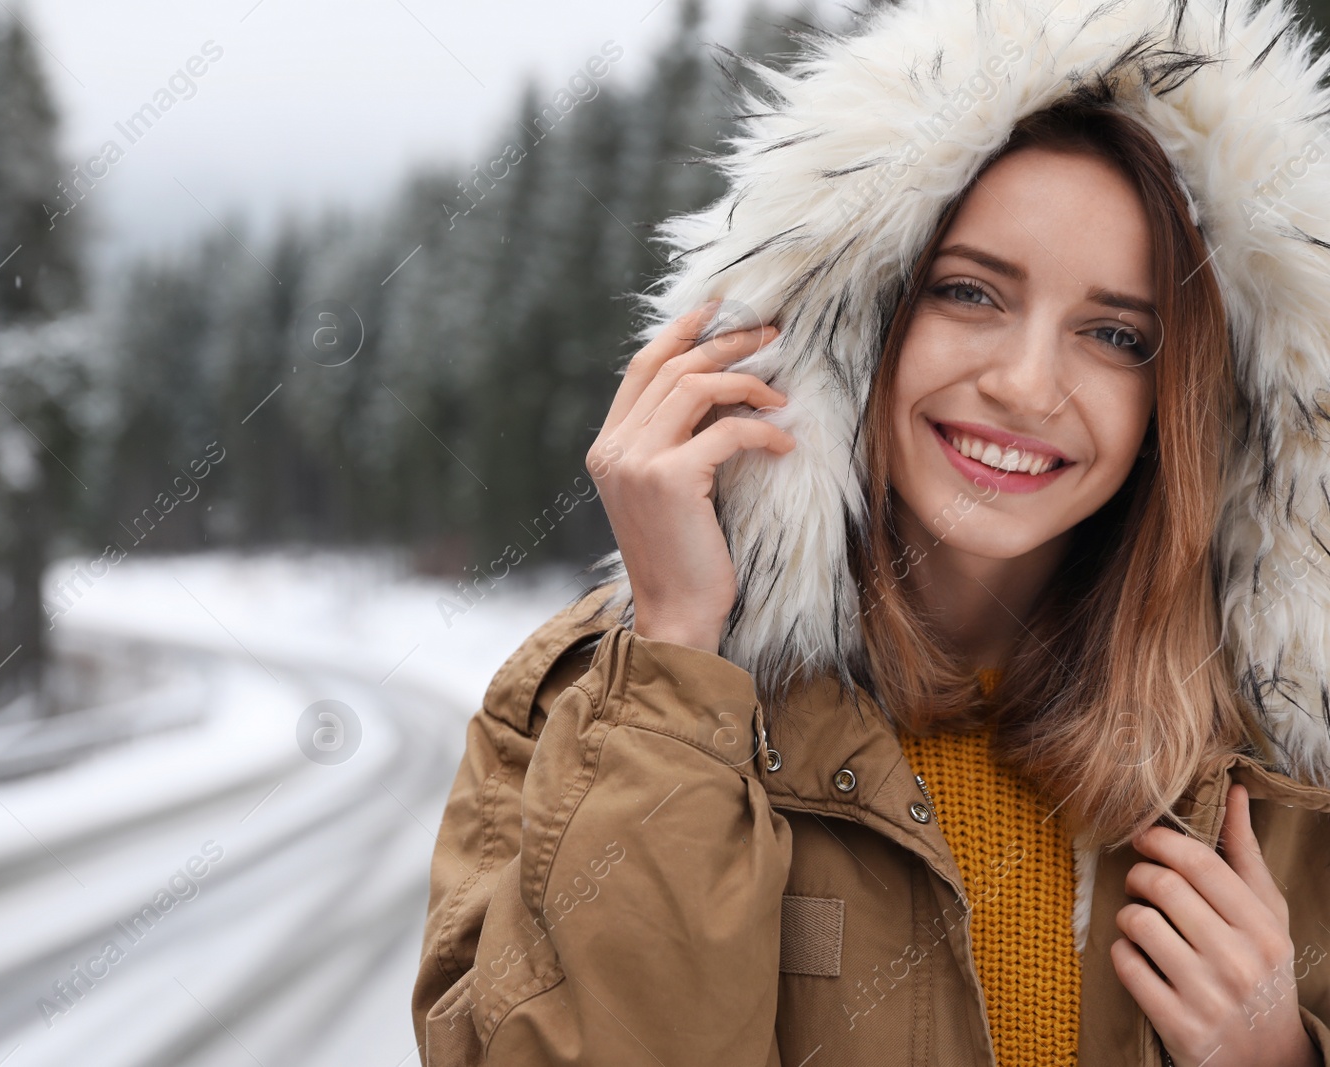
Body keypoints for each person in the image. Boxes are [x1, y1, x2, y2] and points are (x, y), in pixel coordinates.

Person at [409, 0, 1330, 1062]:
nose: (1027, 385)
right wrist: (672, 655)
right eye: (970, 291)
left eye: (1115, 333)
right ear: (854, 324)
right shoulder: (603, 707)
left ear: (1185, 402)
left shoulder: (1278, 777)